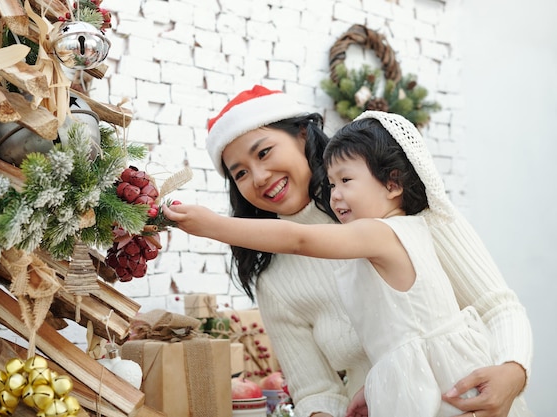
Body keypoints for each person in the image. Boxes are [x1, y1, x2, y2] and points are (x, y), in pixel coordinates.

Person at [166, 85, 532, 417]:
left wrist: (513, 372)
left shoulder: (394, 221)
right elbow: (316, 390)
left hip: (470, 398)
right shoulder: (274, 279)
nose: (259, 177)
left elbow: (497, 306)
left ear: (303, 136)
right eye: (240, 173)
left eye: (264, 152)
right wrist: (366, 395)